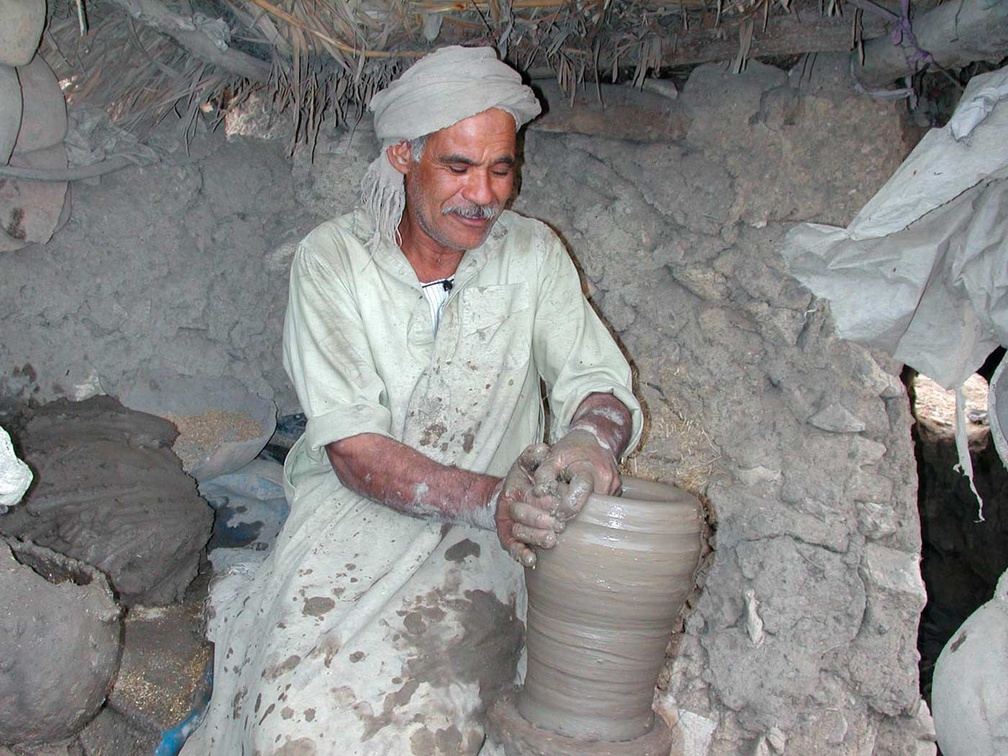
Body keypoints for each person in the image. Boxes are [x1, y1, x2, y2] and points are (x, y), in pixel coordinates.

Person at [183, 45, 642, 755]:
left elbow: (598, 383)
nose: (485, 195)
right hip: (353, 514)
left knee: (446, 722)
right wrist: (491, 498)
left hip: (492, 535)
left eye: (500, 169)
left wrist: (589, 441)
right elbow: (355, 452)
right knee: (294, 723)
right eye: (458, 167)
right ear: (404, 156)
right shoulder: (333, 261)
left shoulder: (533, 254)